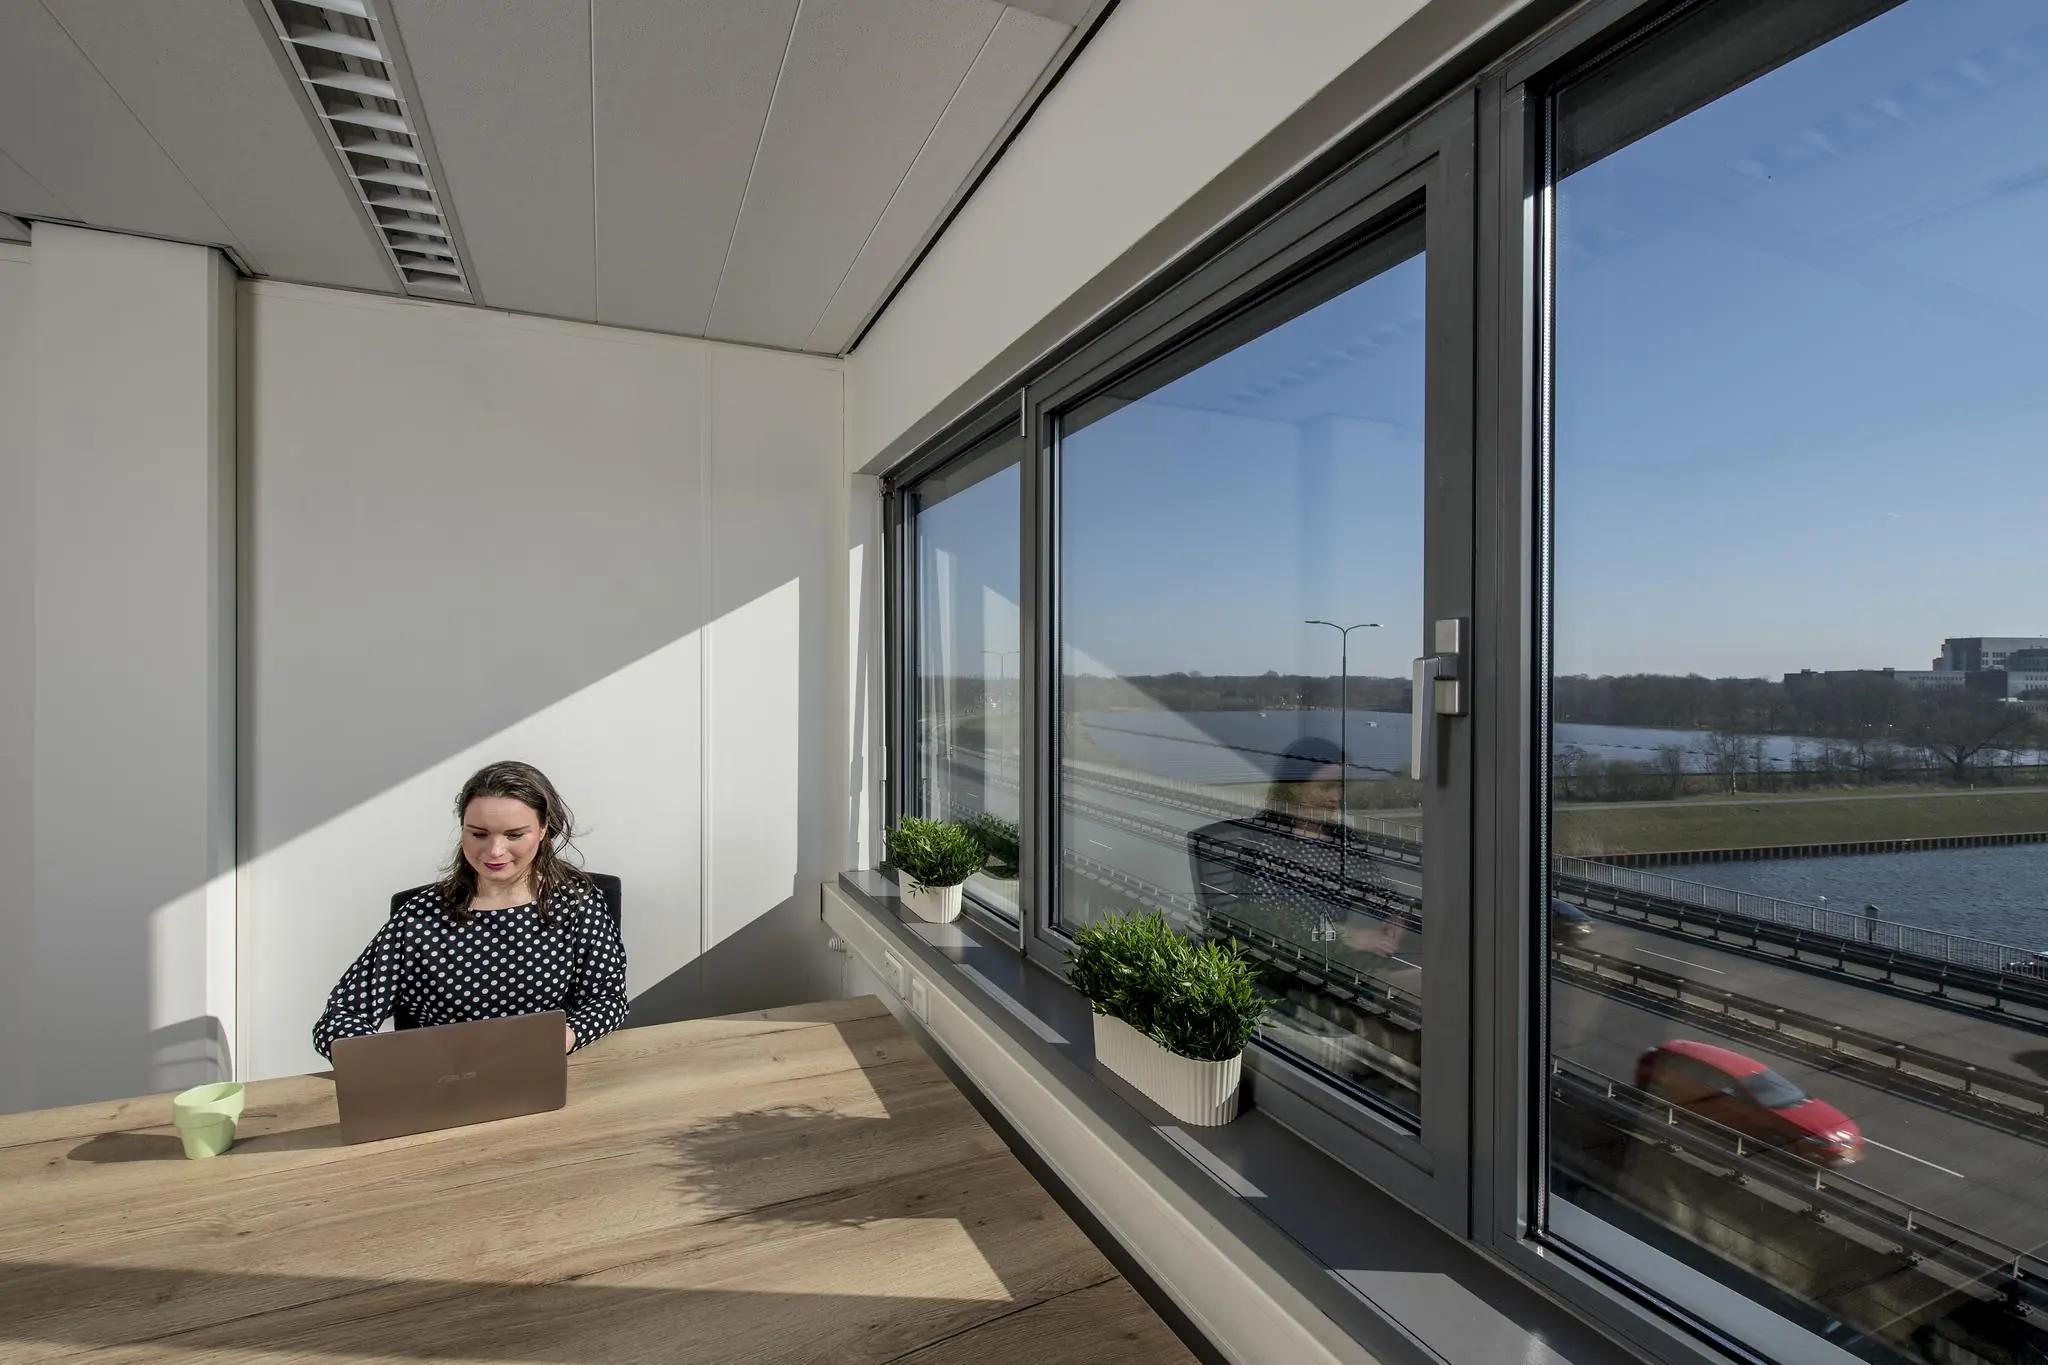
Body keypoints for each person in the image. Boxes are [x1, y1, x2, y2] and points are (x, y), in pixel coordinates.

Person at [313, 760, 628, 1061]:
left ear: (544, 829)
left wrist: (567, 1036)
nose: (494, 851)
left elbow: (607, 1000)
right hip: (446, 1089)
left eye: (515, 835)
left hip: (548, 1077)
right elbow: (341, 1018)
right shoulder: (419, 919)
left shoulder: (576, 904)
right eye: (478, 833)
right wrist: (388, 1065)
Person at [1187, 737, 1407, 960]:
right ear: (1293, 788)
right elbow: (1271, 929)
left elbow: (1378, 889)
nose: (1336, 797)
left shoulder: (1342, 838)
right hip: (1292, 964)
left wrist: (1394, 916)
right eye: (1326, 787)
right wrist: (1346, 935)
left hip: (1338, 958)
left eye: (1341, 787)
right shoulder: (1265, 843)